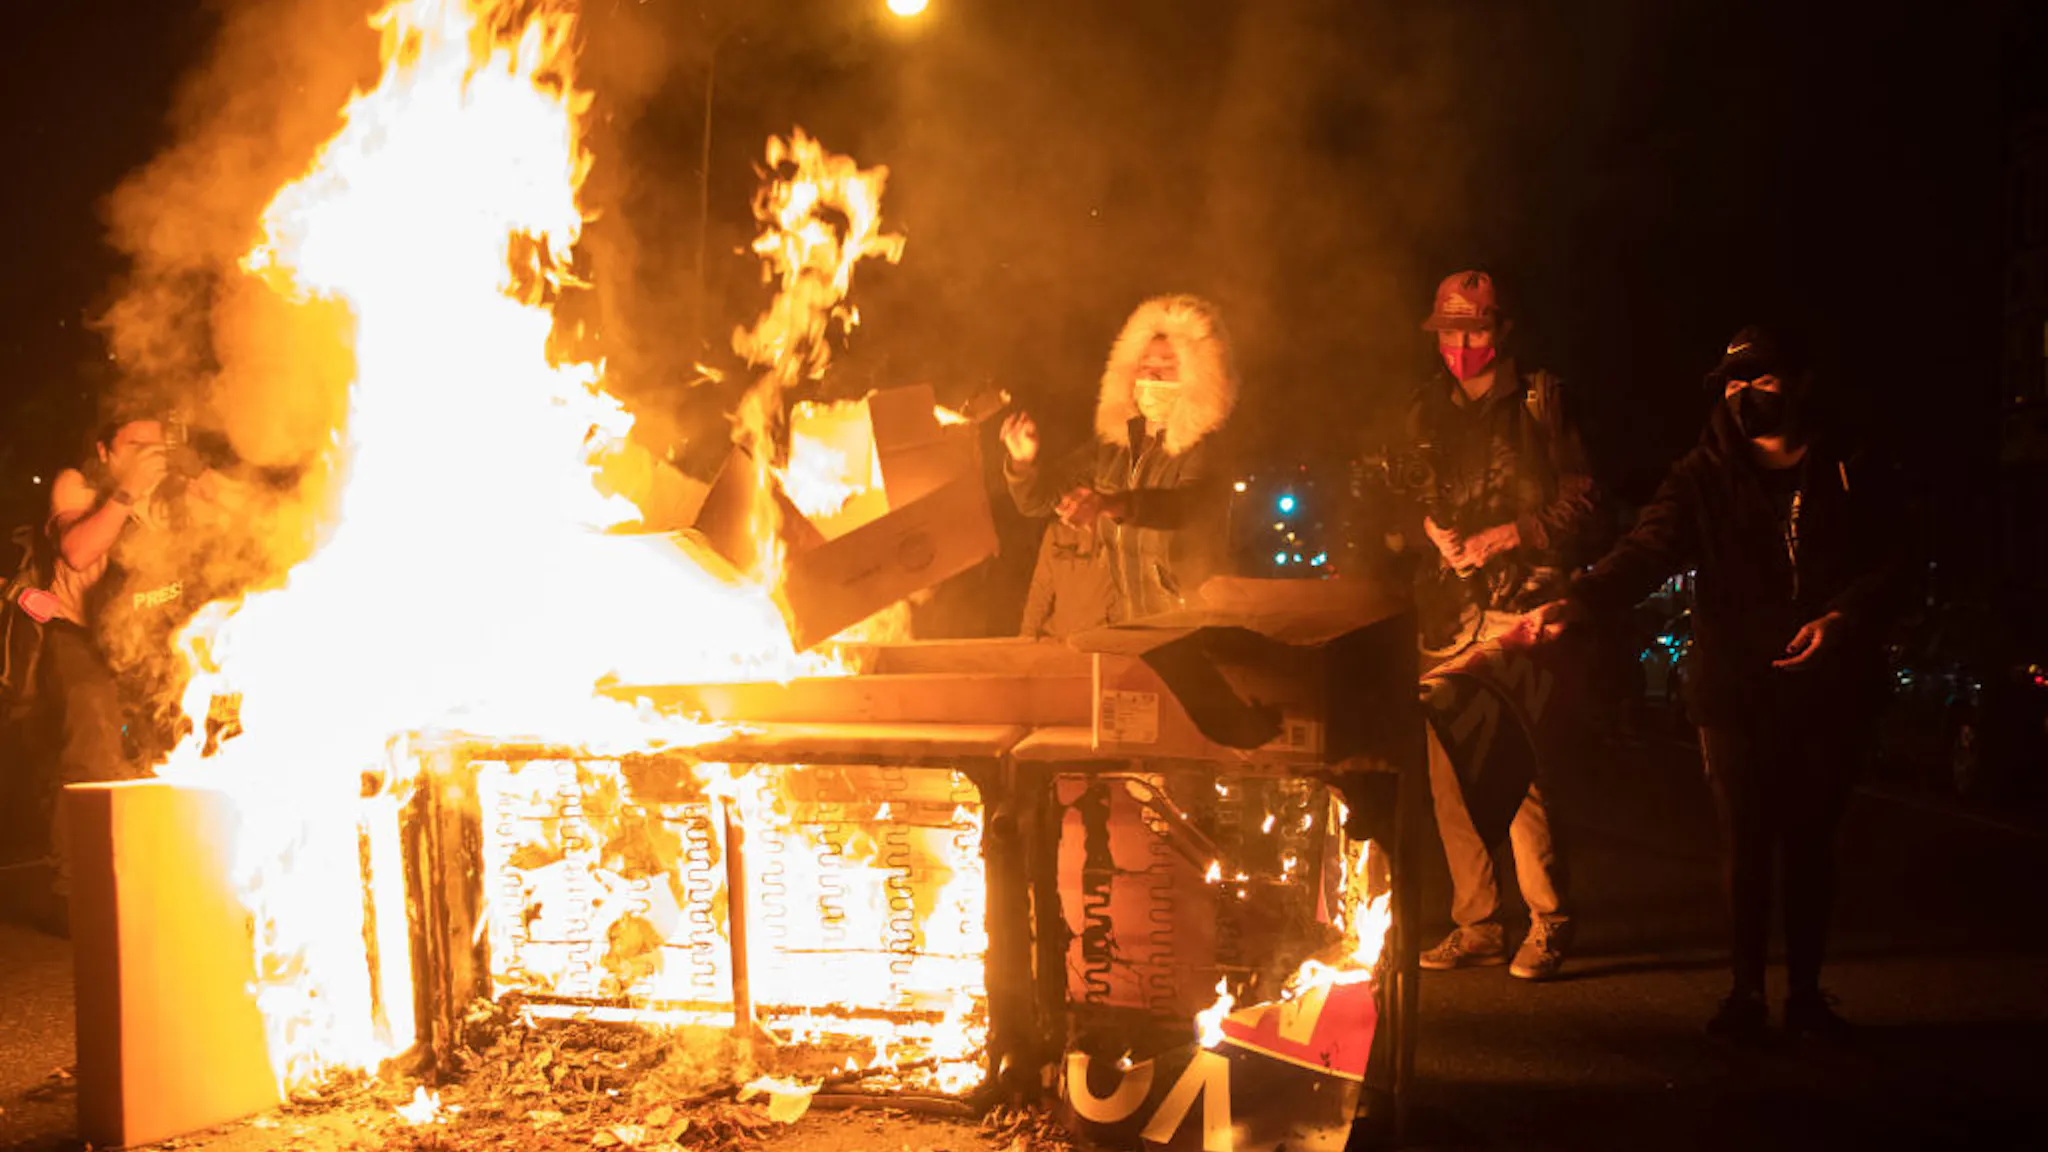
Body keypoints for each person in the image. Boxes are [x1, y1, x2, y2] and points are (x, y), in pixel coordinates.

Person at [1527, 325, 1898, 1041]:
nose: (1744, 393)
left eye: (1762, 378)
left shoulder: (1853, 464)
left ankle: (1809, 995)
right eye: (1732, 381)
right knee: (1747, 841)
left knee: (1813, 845)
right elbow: (1649, 549)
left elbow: (1896, 559)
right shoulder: (1701, 475)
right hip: (1734, 688)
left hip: (1832, 684)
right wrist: (1582, 595)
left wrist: (1844, 617)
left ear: (1801, 383)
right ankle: (1746, 993)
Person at [1399, 270, 1604, 982]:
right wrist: (1434, 532)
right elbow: (1407, 496)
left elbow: (1583, 502)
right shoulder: (1427, 410)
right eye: (1449, 332)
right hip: (1452, 609)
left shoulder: (1542, 402)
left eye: (1475, 330)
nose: (1459, 345)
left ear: (1502, 332)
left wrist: (1506, 536)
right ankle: (1478, 922)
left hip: (1524, 604)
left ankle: (1549, 921)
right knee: (1446, 766)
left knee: (1519, 768)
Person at [39, 409, 235, 906]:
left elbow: (254, 522)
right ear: (105, 451)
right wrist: (126, 493)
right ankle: (74, 889)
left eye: (157, 448)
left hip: (148, 636)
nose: (150, 459)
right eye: (134, 447)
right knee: (95, 739)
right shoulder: (79, 485)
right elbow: (79, 553)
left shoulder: (175, 490)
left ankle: (173, 868)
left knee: (182, 734)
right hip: (80, 636)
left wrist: (201, 474)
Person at [1001, 294, 1238, 621]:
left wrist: (1113, 504)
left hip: (1194, 622)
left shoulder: (1205, 449)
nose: (1152, 377)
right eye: (1145, 367)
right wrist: (1023, 463)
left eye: (1167, 368)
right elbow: (1038, 502)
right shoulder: (1113, 447)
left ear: (1198, 377)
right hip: (1134, 622)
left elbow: (1183, 508)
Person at [1018, 517, 1116, 638]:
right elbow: (1040, 589)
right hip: (1060, 639)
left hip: (1101, 641)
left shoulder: (1118, 532)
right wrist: (1026, 636)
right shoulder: (1057, 531)